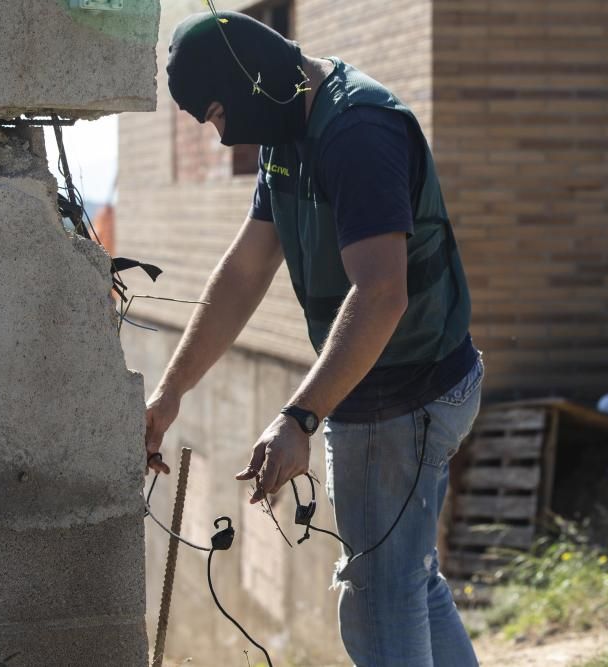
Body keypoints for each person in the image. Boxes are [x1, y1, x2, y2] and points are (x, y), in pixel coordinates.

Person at [145, 10, 482, 666]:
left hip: (403, 397)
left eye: (217, 115)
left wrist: (299, 415)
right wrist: (170, 392)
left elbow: (383, 292)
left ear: (248, 85)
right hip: (384, 388)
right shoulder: (288, 123)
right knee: (408, 584)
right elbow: (244, 271)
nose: (220, 139)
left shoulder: (355, 131)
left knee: (381, 604)